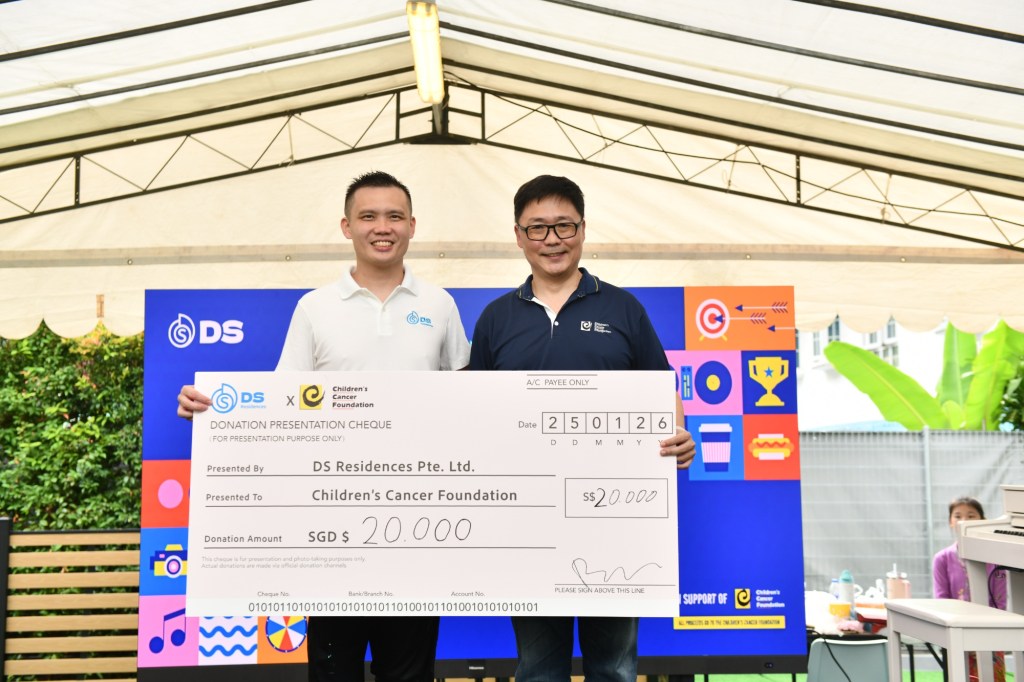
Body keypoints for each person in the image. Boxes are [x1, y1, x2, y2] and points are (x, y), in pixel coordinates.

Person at [178, 170, 471, 682]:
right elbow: (281, 402)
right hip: (331, 530)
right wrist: (215, 411)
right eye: (368, 216)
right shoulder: (314, 308)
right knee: (334, 673)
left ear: (412, 225)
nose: (382, 227)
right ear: (346, 226)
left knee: (409, 674)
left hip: (415, 528)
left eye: (395, 216)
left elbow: (469, 401)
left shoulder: (440, 304)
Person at [468, 174, 696, 682]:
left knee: (614, 667)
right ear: (519, 236)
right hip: (526, 525)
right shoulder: (496, 319)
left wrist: (680, 434)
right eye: (538, 228)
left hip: (615, 524)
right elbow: (475, 414)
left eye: (563, 226)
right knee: (537, 668)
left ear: (583, 229)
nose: (552, 239)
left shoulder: (623, 309)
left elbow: (661, 390)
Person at [933, 495, 1008, 682]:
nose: (964, 520)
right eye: (958, 516)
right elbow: (942, 601)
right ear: (950, 522)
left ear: (982, 520)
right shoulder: (942, 559)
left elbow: (999, 603)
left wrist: (982, 637)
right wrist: (960, 635)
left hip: (991, 634)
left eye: (971, 515)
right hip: (955, 635)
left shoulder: (996, 560)